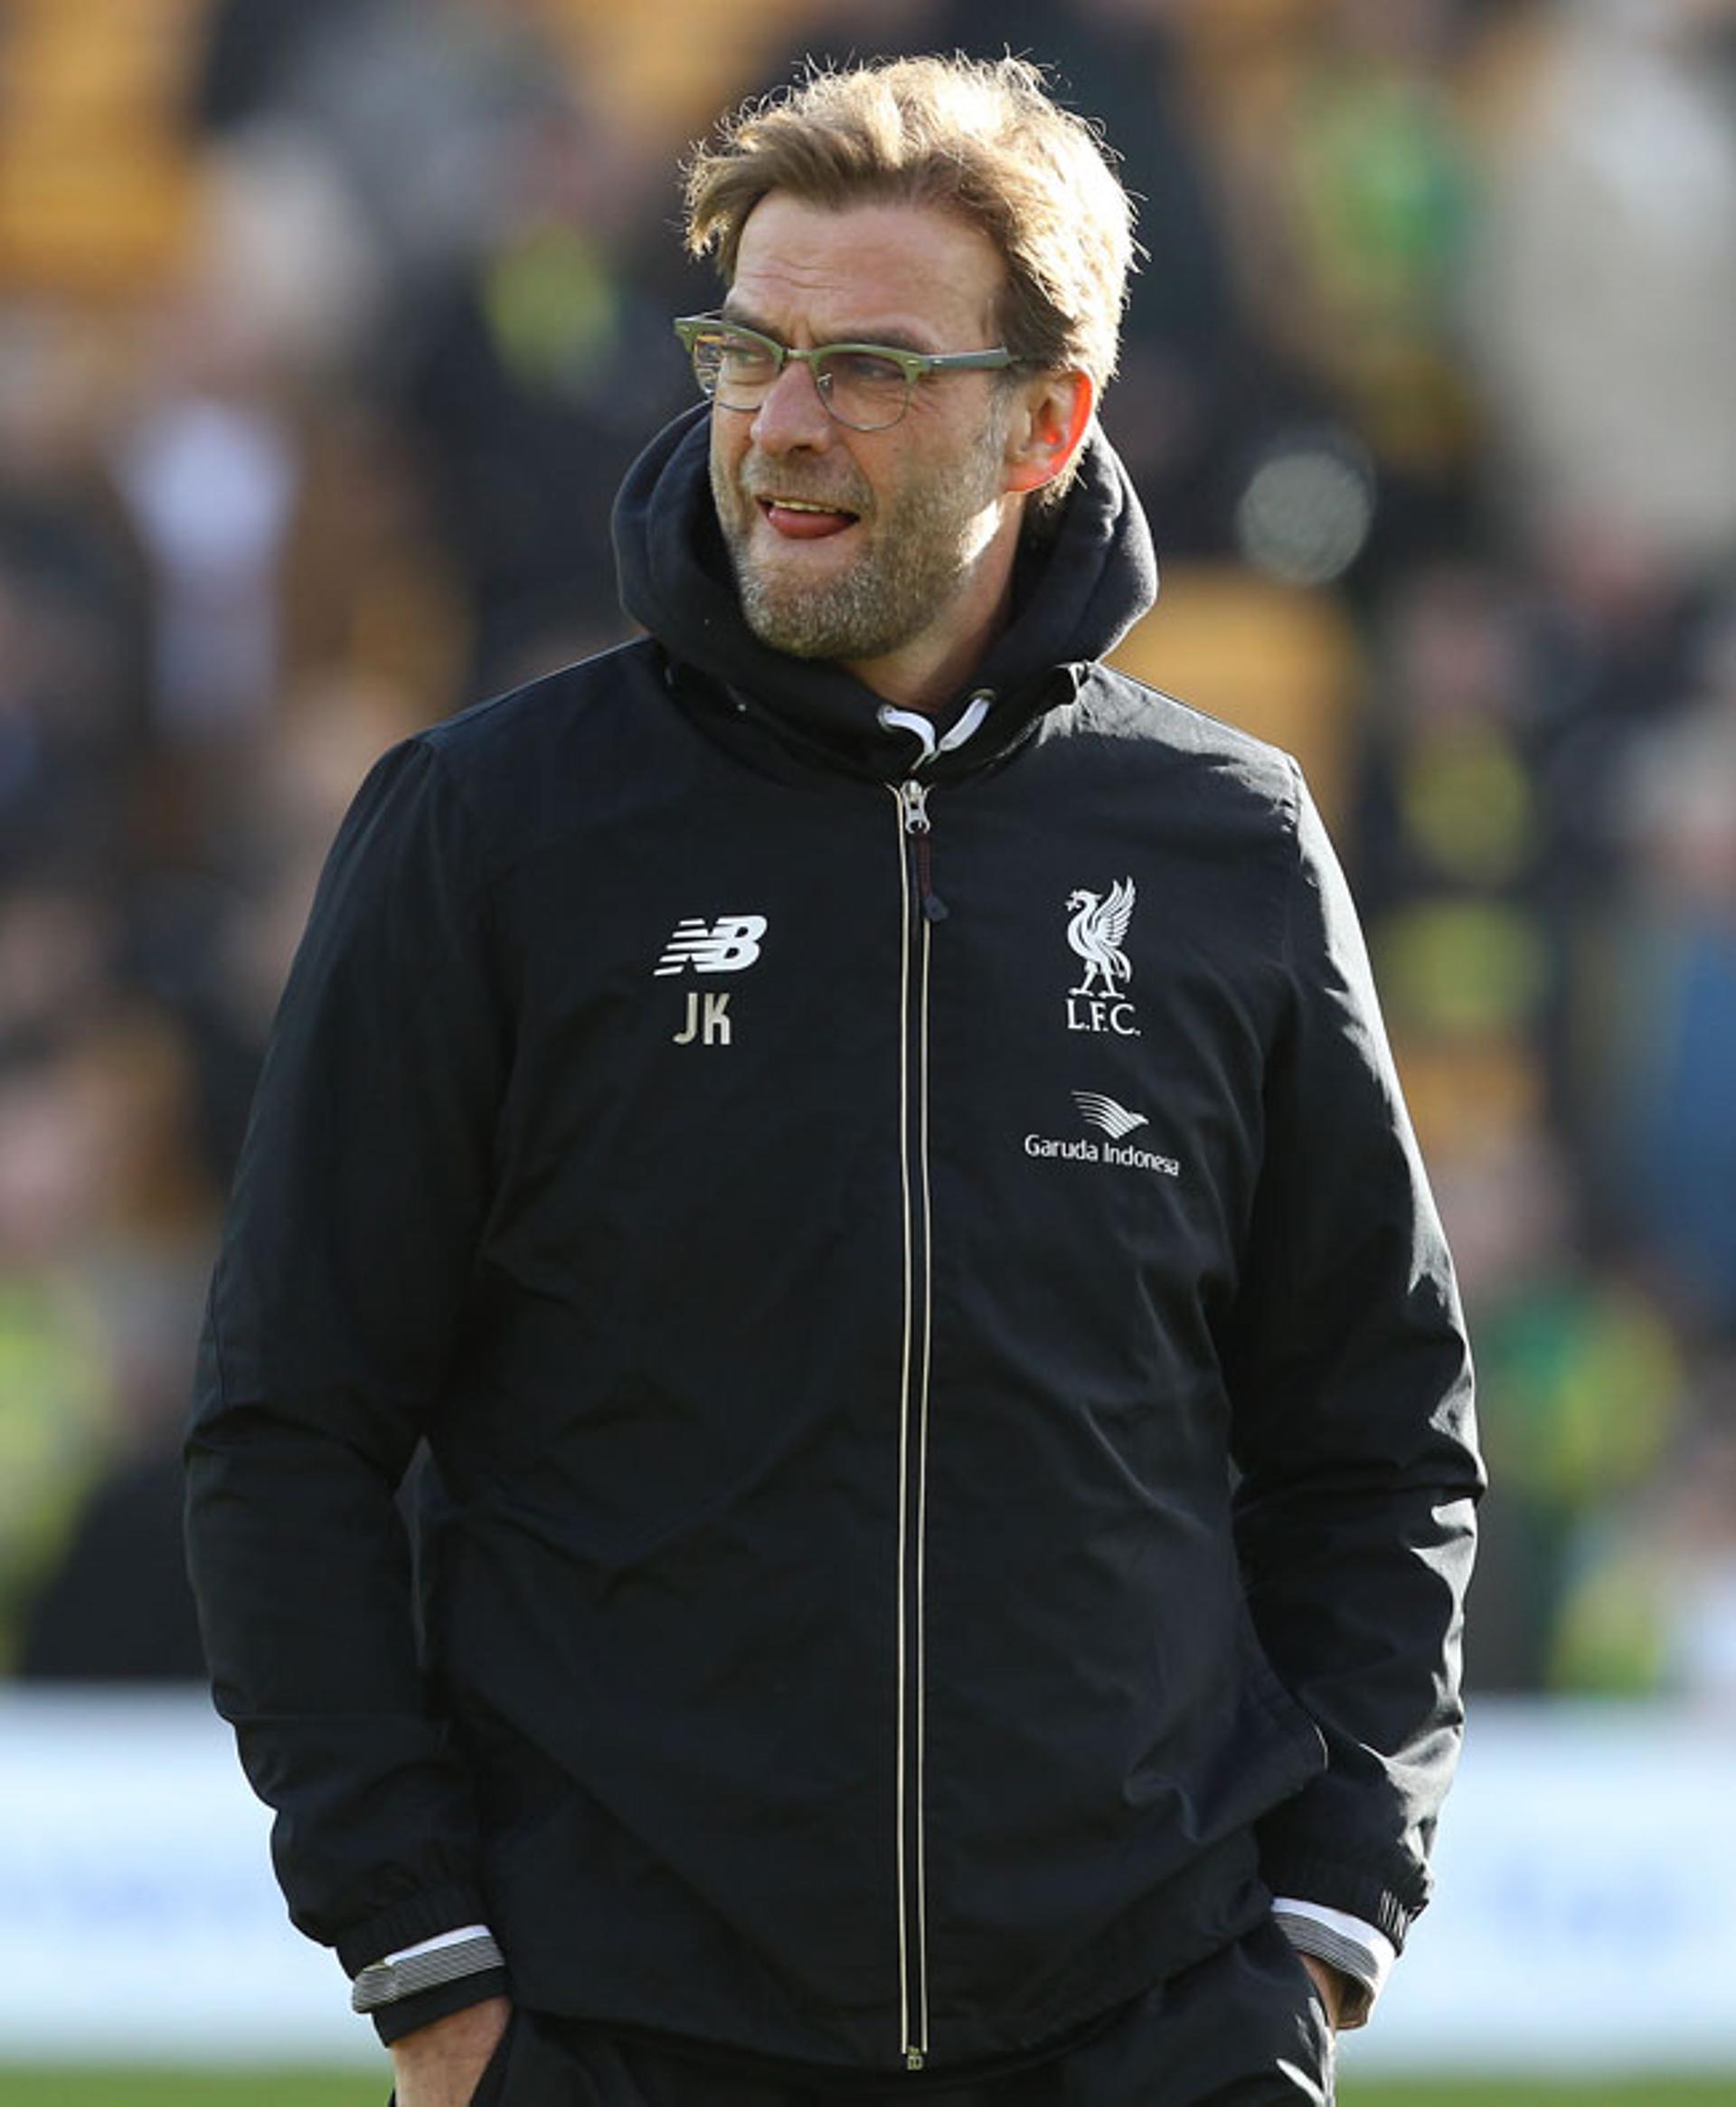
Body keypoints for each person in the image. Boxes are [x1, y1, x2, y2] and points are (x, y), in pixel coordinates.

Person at [185, 55, 1482, 2107]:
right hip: (622, 2037)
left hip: (1155, 2028)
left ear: (1045, 422)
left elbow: (1380, 1434)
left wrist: (1324, 1921)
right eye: (749, 349)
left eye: (870, 365)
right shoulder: (486, 830)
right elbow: (290, 1425)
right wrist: (419, 1948)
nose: (781, 426)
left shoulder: (1232, 840)